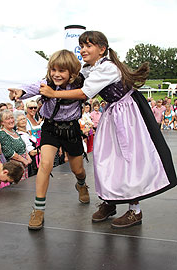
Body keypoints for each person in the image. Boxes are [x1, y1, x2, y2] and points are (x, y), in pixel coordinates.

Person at [37, 31, 177, 229]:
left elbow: (85, 92)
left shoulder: (108, 68)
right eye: (82, 46)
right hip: (114, 112)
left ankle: (135, 210)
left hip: (128, 114)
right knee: (105, 158)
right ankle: (111, 201)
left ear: (102, 49)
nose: (83, 50)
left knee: (128, 160)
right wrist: (28, 90)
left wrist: (52, 93)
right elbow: (68, 79)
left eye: (88, 46)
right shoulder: (90, 69)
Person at [8, 49, 90, 230]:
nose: (56, 74)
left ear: (72, 73)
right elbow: (30, 89)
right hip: (50, 128)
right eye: (53, 70)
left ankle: (82, 184)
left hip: (71, 129)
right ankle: (38, 210)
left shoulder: (81, 84)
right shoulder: (46, 83)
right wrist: (18, 92)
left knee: (78, 170)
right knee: (45, 164)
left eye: (61, 71)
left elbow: (85, 93)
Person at [0, 110, 32, 181]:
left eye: (12, 118)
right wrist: (24, 160)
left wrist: (27, 157)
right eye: (7, 119)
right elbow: (9, 152)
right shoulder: (3, 134)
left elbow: (23, 146)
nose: (11, 120)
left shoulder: (14, 132)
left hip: (24, 165)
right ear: (2, 122)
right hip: (14, 167)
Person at [14, 110, 40, 177]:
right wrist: (42, 150)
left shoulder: (28, 133)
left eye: (24, 119)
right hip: (31, 163)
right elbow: (31, 152)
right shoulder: (21, 135)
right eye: (20, 120)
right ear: (16, 123)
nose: (23, 121)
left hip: (36, 161)